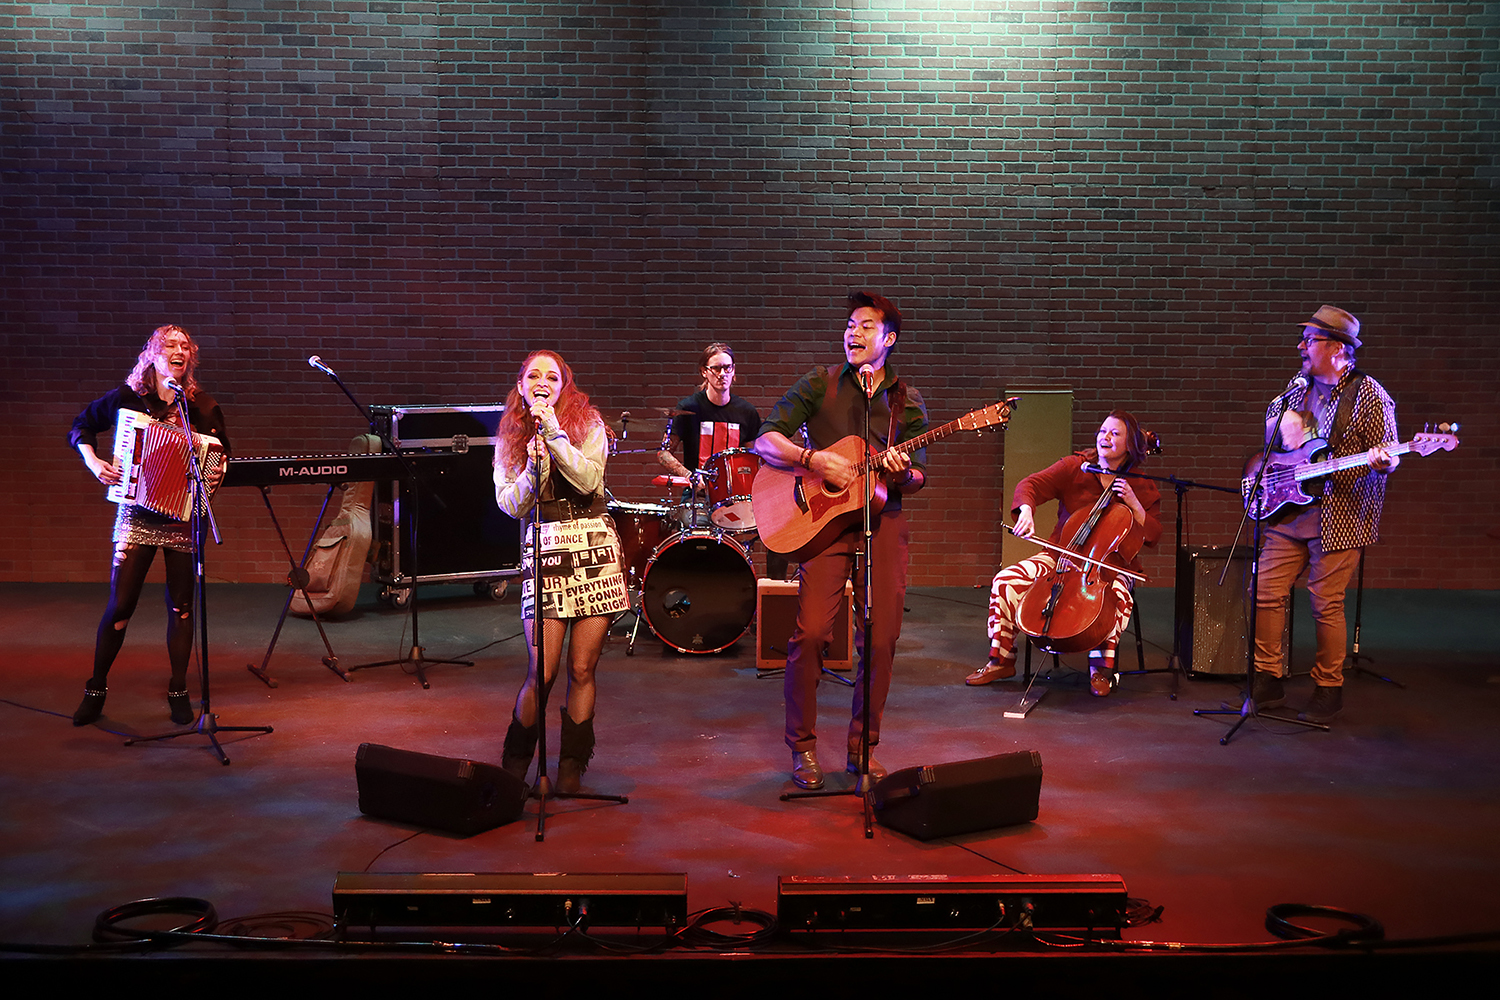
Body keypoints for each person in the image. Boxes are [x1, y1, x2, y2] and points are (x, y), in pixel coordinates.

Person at [753, 292, 928, 790]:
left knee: (881, 638)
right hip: (824, 522)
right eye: (850, 325)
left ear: (888, 339)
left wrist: (903, 471)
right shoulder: (820, 383)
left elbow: (918, 478)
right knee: (809, 635)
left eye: (866, 326)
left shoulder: (904, 400)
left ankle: (861, 748)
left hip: (883, 519)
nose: (853, 333)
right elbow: (766, 439)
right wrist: (813, 460)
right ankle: (802, 747)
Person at [67, 324, 229, 727]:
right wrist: (94, 461)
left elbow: (222, 461)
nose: (179, 351)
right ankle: (96, 687)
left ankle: (179, 689)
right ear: (153, 355)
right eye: (170, 345)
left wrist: (209, 474)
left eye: (185, 347)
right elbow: (81, 426)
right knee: (121, 606)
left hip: (182, 519)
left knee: (182, 608)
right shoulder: (127, 399)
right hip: (136, 514)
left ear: (190, 358)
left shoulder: (202, 407)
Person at [1250, 305, 1398, 723]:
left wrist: (1386, 461)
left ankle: (1328, 687)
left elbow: (1389, 451)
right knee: (1263, 590)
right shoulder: (1296, 390)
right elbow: (1273, 437)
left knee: (1325, 603)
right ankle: (1268, 676)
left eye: (1310, 340)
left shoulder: (1369, 394)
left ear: (1337, 349)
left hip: (1341, 514)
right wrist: (1283, 428)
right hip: (1290, 509)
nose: (1301, 346)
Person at [494, 350, 631, 792]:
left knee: (583, 669)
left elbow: (590, 481)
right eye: (533, 375)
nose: (542, 382)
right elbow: (511, 505)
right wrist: (534, 468)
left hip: (593, 548)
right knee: (543, 671)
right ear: (521, 386)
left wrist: (554, 435)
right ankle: (515, 767)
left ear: (563, 386)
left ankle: (570, 769)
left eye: (552, 377)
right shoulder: (511, 438)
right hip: (547, 550)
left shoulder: (589, 425)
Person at [968, 411, 1162, 696]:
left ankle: (1100, 669)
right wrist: (1026, 511)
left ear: (1130, 445)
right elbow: (1030, 485)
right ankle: (1001, 660)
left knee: (1117, 595)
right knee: (1005, 581)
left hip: (1111, 567)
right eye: (1102, 431)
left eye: (1114, 434)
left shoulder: (1142, 485)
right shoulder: (1077, 467)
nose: (1104, 437)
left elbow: (1154, 535)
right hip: (1060, 558)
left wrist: (1135, 505)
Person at [657, 342, 762, 479]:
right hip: (695, 491)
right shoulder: (688, 407)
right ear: (704, 371)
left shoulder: (747, 412)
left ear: (734, 370)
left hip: (732, 492)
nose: (722, 374)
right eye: (716, 369)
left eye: (727, 368)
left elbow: (752, 457)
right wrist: (689, 476)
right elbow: (663, 453)